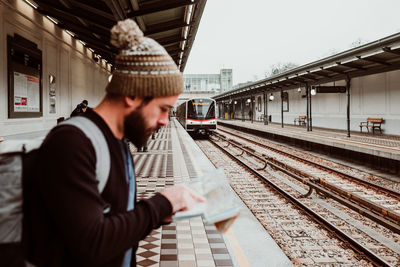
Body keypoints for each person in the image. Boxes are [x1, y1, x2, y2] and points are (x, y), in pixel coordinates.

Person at [27, 19, 204, 267]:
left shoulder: (118, 143)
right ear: (132, 95)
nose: (165, 121)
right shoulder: (71, 144)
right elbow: (92, 243)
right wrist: (161, 204)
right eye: (163, 109)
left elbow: (113, 228)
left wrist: (161, 213)